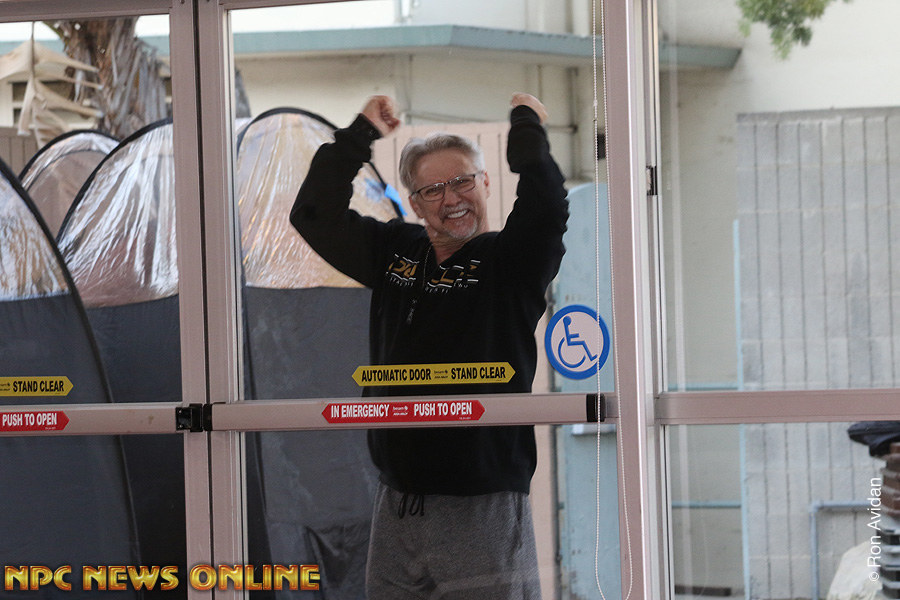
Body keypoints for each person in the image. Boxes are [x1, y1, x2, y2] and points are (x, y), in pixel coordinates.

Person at [291, 92, 568, 599]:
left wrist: (527, 124)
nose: (451, 198)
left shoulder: (511, 261)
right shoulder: (394, 252)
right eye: (433, 189)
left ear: (486, 183)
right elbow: (313, 214)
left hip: (481, 503)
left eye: (463, 181)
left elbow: (547, 206)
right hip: (396, 501)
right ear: (415, 204)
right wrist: (360, 135)